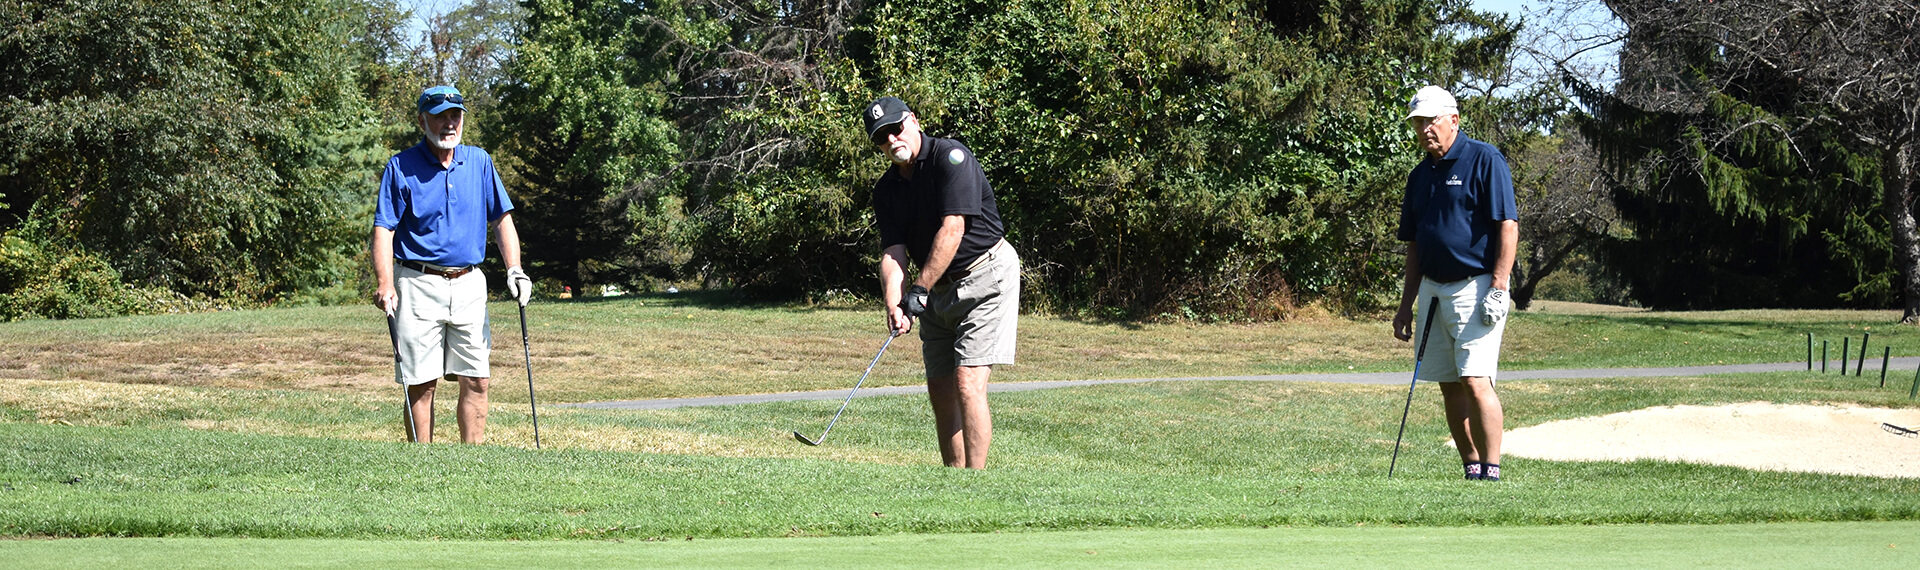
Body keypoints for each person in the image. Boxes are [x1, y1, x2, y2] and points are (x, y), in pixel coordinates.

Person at [370, 85, 534, 444]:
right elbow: (384, 228)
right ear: (422, 120)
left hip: (469, 284)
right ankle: (423, 463)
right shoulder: (401, 166)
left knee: (477, 377)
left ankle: (470, 463)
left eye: (455, 115)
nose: (449, 123)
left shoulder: (479, 162)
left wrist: (514, 269)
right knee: (421, 382)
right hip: (416, 282)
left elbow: (502, 219)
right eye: (440, 115)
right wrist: (386, 282)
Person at [864, 96, 1020, 469]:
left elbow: (954, 229)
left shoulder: (950, 158)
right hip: (935, 290)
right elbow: (893, 253)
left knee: (967, 381)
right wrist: (894, 302)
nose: (891, 140)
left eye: (896, 129)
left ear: (914, 121)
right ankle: (954, 482)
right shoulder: (886, 190)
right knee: (941, 390)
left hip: (985, 277)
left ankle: (976, 483)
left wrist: (918, 290)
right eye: (881, 137)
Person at [1390, 85, 1518, 481]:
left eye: (1431, 120)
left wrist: (1499, 286)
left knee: (1475, 380)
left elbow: (1507, 226)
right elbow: (1414, 246)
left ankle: (1492, 470)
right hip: (1432, 288)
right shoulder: (1419, 176)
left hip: (1476, 285)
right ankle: (1471, 466)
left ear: (1454, 120)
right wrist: (1404, 305)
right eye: (1418, 122)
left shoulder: (1484, 158)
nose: (1425, 129)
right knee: (1448, 382)